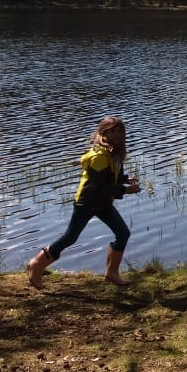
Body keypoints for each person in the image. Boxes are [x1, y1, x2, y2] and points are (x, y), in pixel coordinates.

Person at [26, 116, 141, 288]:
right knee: (70, 238)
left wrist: (125, 179)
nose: (119, 135)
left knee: (123, 233)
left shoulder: (115, 152)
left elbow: (111, 176)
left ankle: (111, 273)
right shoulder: (99, 157)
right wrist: (124, 190)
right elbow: (95, 188)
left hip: (103, 203)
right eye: (114, 131)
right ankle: (36, 264)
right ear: (104, 133)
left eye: (121, 131)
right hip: (87, 203)